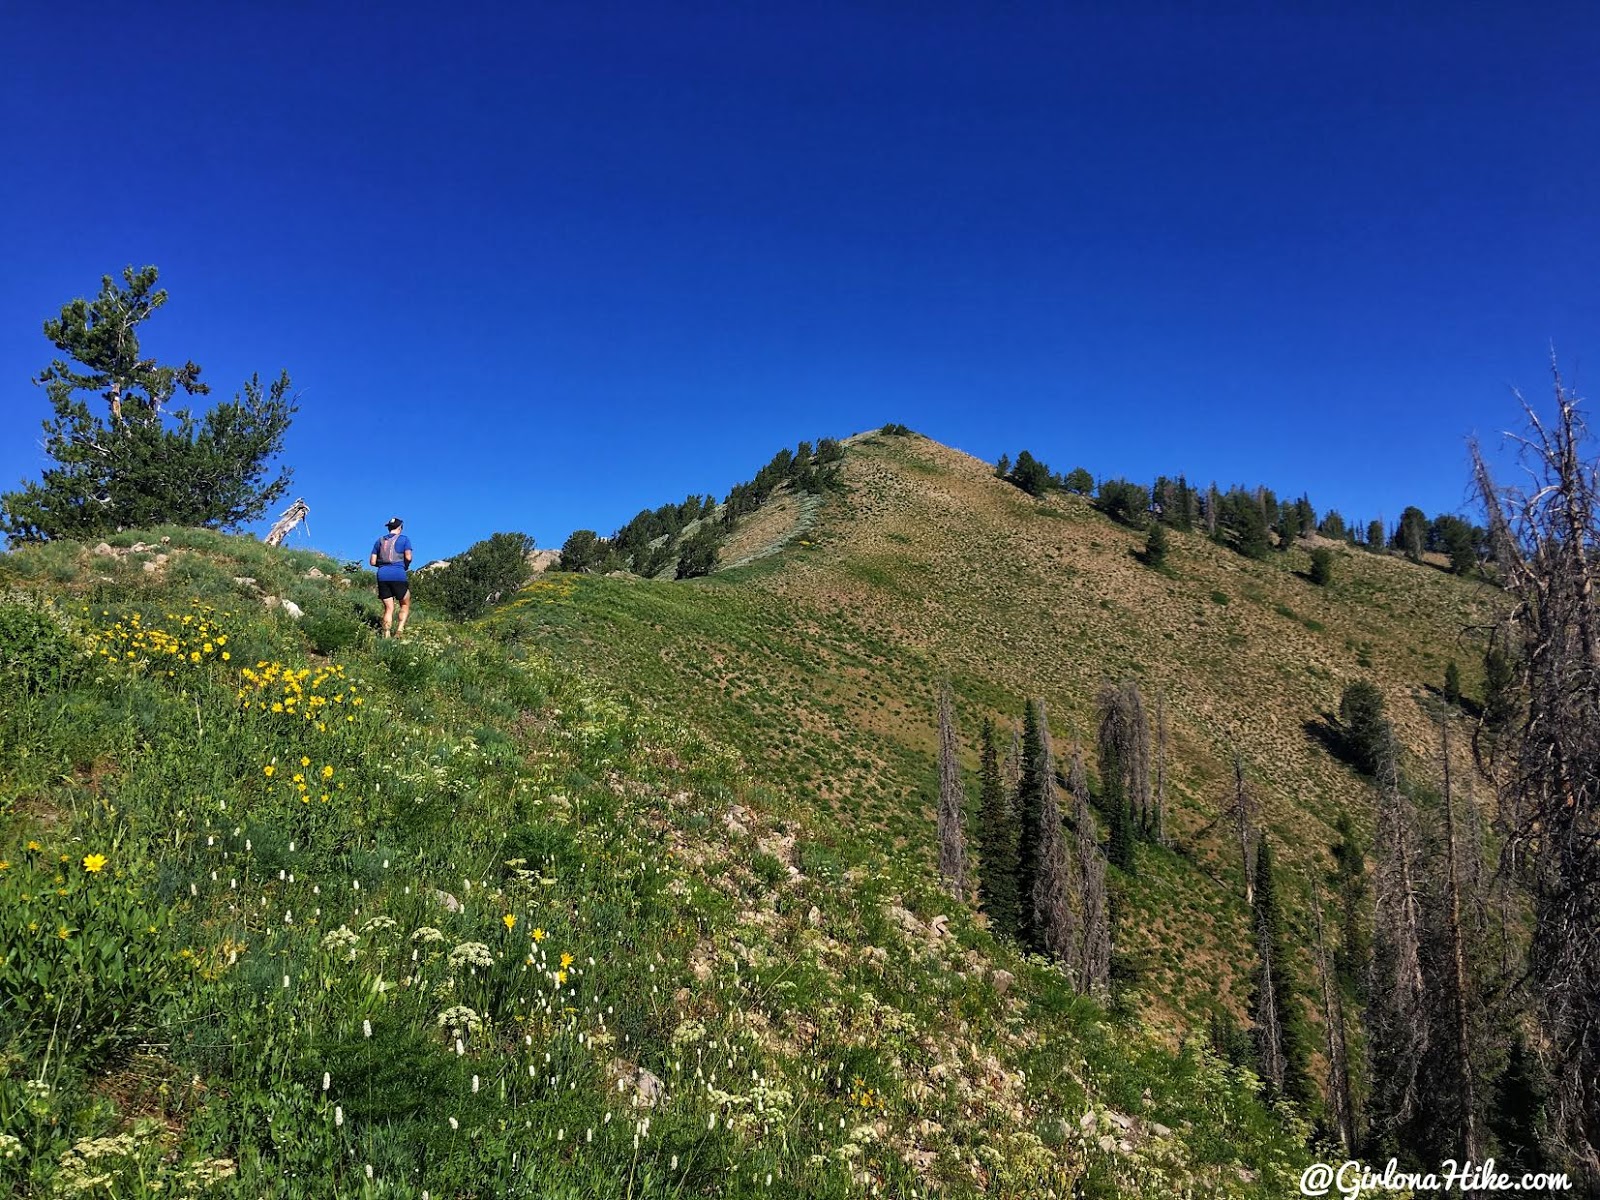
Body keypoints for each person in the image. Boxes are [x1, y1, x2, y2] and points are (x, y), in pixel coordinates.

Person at [370, 517, 413, 637]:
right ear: (400, 528)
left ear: (388, 528)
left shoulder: (379, 541)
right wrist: (405, 565)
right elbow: (408, 557)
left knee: (389, 608)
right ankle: (399, 630)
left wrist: (383, 565)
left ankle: (386, 635)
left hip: (382, 575)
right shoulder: (404, 540)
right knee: (404, 603)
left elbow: (373, 562)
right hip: (398, 574)